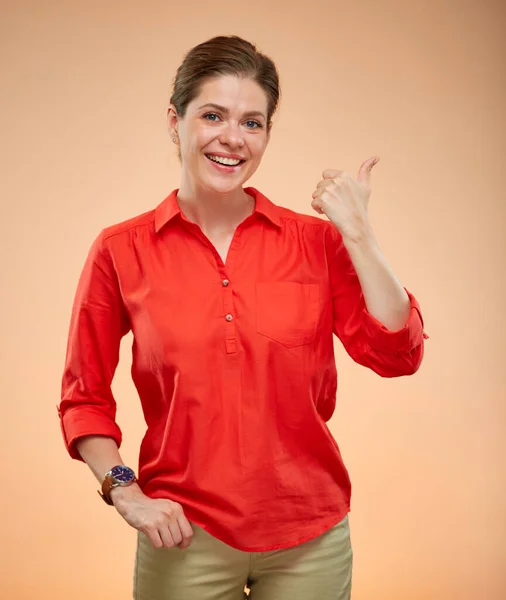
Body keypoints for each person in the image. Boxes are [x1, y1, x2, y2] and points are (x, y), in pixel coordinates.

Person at [58, 35, 427, 600]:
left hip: (312, 536)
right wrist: (125, 490)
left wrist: (358, 235)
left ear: (267, 136)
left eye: (252, 122)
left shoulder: (316, 242)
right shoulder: (120, 249)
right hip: (183, 539)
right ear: (175, 122)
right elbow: (84, 396)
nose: (232, 138)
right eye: (213, 115)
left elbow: (398, 354)